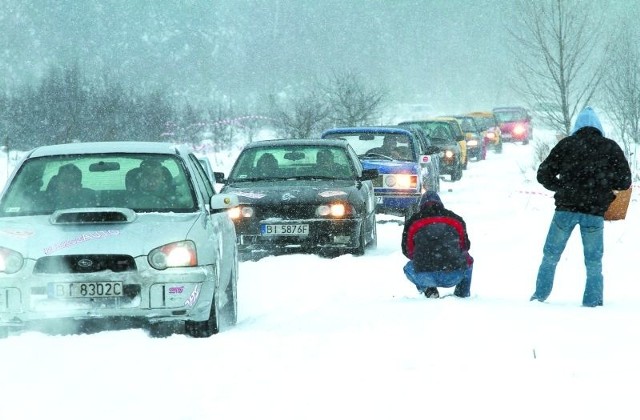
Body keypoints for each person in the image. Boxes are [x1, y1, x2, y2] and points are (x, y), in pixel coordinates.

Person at [531, 106, 632, 307]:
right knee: (594, 262)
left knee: (550, 256)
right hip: (594, 213)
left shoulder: (566, 145)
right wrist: (604, 187)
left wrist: (562, 187)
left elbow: (543, 174)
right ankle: (592, 302)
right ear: (598, 127)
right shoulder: (610, 147)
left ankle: (539, 297)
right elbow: (625, 181)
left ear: (577, 126)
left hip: (565, 210)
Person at [401, 191, 473, 298]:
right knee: (468, 260)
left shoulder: (413, 222)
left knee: (409, 267)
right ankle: (462, 294)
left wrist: (424, 257)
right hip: (452, 275)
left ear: (421, 205)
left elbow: (407, 251)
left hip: (424, 275)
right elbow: (465, 246)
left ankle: (429, 289)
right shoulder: (456, 220)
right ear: (440, 203)